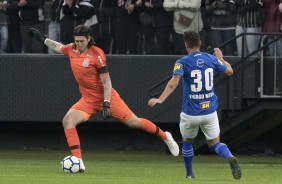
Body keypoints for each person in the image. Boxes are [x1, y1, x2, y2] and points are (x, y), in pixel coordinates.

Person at [28, 24, 179, 173]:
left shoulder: (96, 54)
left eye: (81, 41)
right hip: (88, 100)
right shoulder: (72, 49)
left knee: (134, 122)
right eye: (77, 41)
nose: (78, 44)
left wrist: (106, 104)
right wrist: (43, 39)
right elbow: (59, 47)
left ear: (88, 39)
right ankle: (79, 162)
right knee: (68, 121)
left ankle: (165, 136)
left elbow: (107, 82)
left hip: (107, 98)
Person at [148, 31, 241, 179]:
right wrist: (221, 58)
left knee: (188, 142)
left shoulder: (182, 62)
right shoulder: (211, 59)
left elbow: (174, 82)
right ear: (200, 44)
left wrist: (160, 99)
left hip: (191, 113)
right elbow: (229, 71)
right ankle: (229, 156)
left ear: (186, 45)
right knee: (215, 143)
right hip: (209, 112)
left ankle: (190, 174)